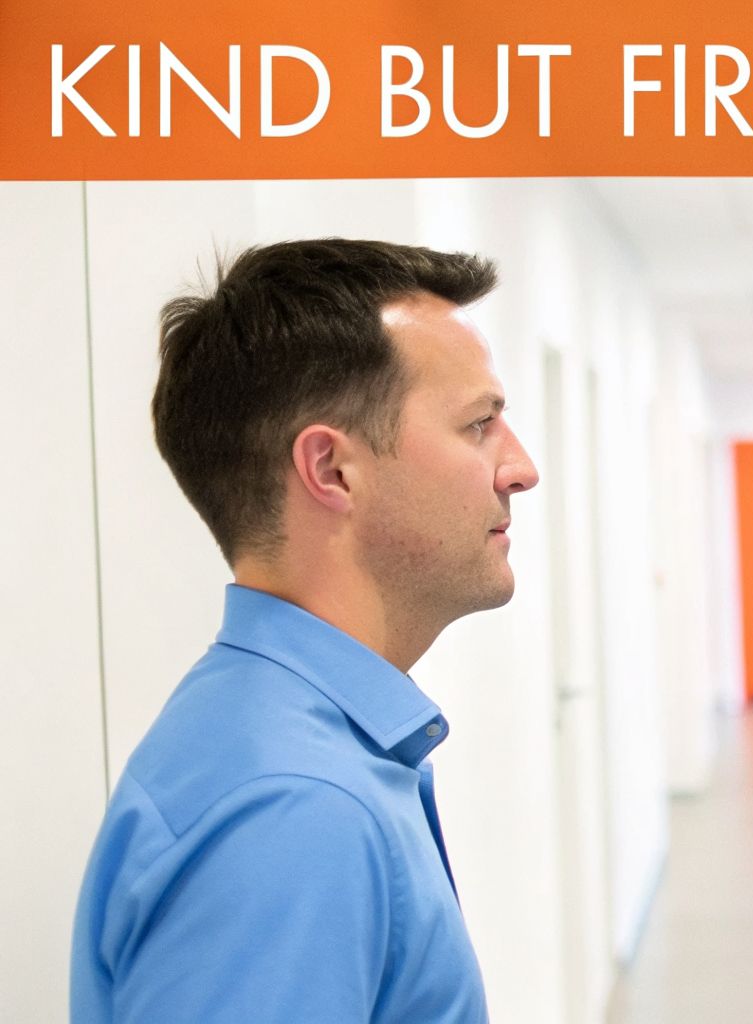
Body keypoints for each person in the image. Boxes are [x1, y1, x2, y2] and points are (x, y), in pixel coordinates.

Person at [71, 240, 539, 1022]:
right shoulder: (291, 812)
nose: (520, 467)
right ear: (331, 470)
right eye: (480, 424)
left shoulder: (293, 745)